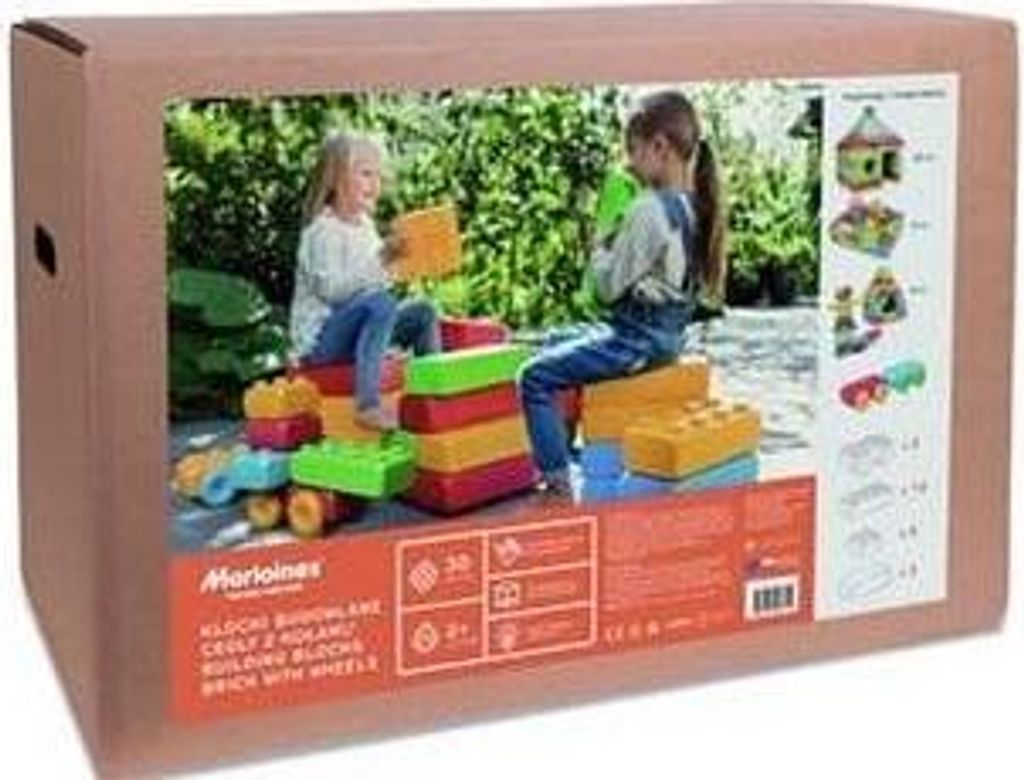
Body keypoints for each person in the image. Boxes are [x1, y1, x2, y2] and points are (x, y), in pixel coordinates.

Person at [518, 90, 727, 495]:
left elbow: (607, 289)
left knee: (532, 377)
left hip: (637, 343)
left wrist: (601, 242)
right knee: (555, 341)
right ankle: (563, 451)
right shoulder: (692, 206)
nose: (628, 163)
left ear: (659, 146)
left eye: (632, 150)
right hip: (664, 339)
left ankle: (556, 481)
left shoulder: (647, 209)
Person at [288, 130, 441, 431]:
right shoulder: (322, 231)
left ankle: (433, 397)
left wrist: (400, 261)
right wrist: (381, 259)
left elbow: (376, 285)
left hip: (357, 330)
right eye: (366, 174)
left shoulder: (365, 227)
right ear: (336, 179)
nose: (375, 183)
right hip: (322, 343)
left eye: (378, 176)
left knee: (423, 312)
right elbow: (333, 292)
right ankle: (367, 406)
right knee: (381, 304)